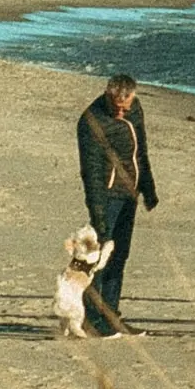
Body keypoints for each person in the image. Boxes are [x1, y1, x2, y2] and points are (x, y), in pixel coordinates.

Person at [74, 73, 156, 335]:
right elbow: (91, 170)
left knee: (120, 256)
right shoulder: (91, 121)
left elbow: (140, 150)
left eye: (126, 106)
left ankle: (111, 316)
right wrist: (97, 212)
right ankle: (92, 319)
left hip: (129, 194)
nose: (122, 112)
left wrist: (148, 187)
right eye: (117, 107)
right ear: (108, 96)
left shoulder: (136, 109)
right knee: (99, 260)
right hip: (107, 196)